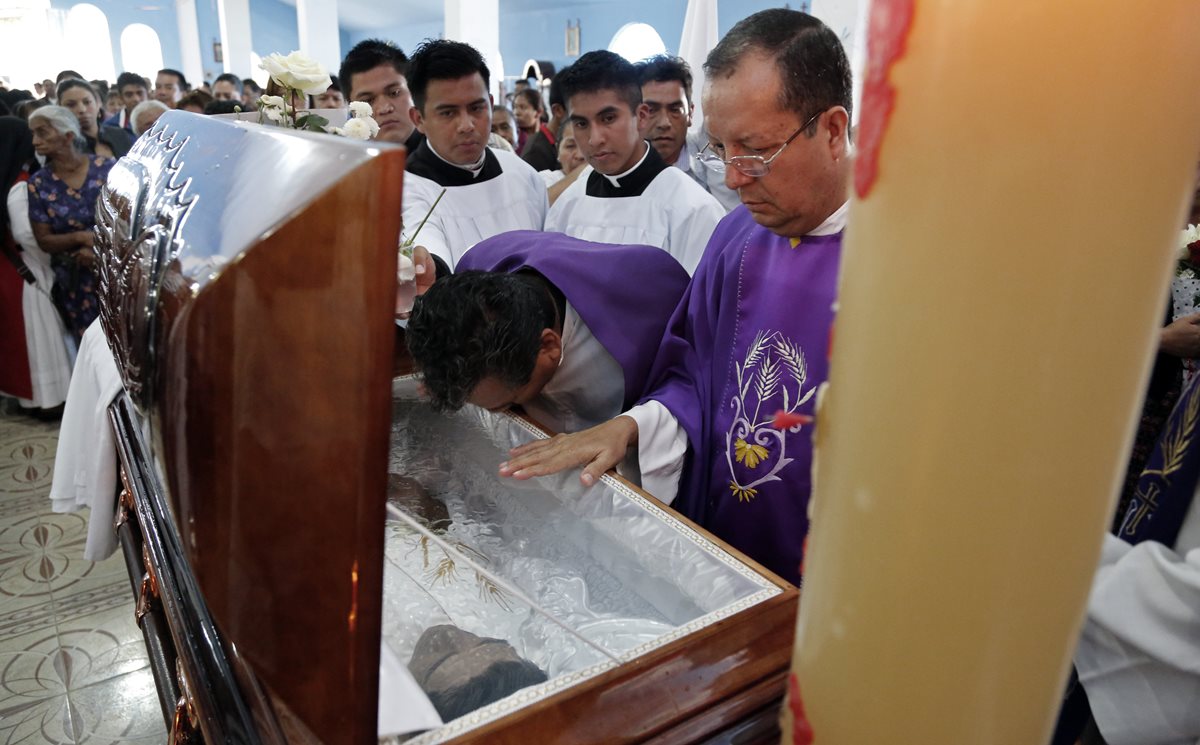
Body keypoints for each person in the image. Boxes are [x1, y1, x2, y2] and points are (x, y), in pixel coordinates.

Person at [498, 10, 853, 586]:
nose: (733, 179)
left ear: (833, 130)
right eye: (718, 149)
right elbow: (693, 372)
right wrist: (631, 426)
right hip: (728, 549)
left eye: (754, 150)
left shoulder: (903, 269)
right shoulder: (736, 239)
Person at [407, 231, 690, 440]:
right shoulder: (481, 268)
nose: (505, 408)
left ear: (549, 345)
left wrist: (632, 428)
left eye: (506, 404)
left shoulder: (653, 294)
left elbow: (695, 387)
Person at [544, 50, 723, 275]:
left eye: (608, 118)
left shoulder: (692, 209)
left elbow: (702, 305)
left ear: (641, 116)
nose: (594, 139)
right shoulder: (567, 205)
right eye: (581, 124)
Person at [401, 39, 547, 268]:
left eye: (476, 108)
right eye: (448, 113)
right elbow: (428, 261)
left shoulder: (521, 173)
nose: (467, 125)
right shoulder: (405, 192)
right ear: (418, 119)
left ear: (490, 103)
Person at [26, 106, 116, 343]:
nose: (35, 141)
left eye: (43, 132)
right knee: (92, 348)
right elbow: (44, 240)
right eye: (33, 133)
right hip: (75, 283)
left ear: (67, 135)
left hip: (115, 273)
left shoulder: (107, 168)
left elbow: (130, 221)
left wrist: (97, 249)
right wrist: (80, 238)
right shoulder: (39, 183)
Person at [3, 116, 72, 412]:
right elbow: (26, 234)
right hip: (28, 266)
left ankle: (34, 398)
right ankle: (49, 399)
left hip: (11, 268)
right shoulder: (19, 186)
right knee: (40, 338)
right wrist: (50, 256)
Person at [636, 55, 740, 212]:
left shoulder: (712, 153)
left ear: (690, 114)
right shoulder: (621, 169)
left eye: (675, 109)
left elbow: (733, 222)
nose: (665, 123)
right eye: (651, 110)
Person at [340, 39, 422, 151]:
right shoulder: (350, 163)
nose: (384, 108)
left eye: (394, 93)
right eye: (367, 101)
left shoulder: (446, 153)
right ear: (352, 113)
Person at [56, 79, 133, 158]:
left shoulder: (120, 134)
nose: (82, 109)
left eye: (87, 102)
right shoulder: (61, 147)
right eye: (71, 105)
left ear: (98, 103)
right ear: (59, 109)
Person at [514, 88, 557, 172]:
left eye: (522, 107)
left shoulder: (550, 135)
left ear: (538, 112)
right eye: (515, 107)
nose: (516, 112)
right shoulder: (514, 137)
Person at [545, 120, 587, 205]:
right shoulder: (545, 179)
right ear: (558, 150)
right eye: (570, 146)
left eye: (587, 146)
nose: (580, 155)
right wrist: (585, 168)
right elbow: (544, 204)